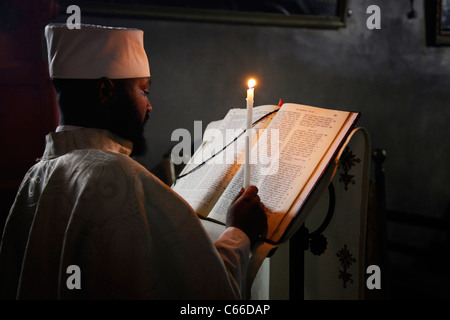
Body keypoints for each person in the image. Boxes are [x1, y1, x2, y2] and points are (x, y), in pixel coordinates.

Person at [0, 23, 267, 299]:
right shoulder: (118, 177)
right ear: (105, 90)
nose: (149, 106)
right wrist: (239, 232)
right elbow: (199, 294)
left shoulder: (36, 176)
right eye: (143, 90)